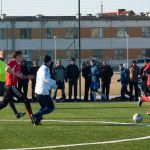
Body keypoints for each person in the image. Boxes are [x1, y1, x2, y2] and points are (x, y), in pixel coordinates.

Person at [0, 51, 35, 124]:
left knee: (4, 104)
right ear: (18, 56)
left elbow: (21, 76)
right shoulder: (12, 62)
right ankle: (32, 119)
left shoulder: (18, 65)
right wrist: (16, 74)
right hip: (11, 86)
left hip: (9, 86)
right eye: (21, 56)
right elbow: (7, 69)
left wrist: (28, 76)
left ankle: (32, 118)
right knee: (26, 99)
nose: (22, 58)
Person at [34, 55, 57, 125]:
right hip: (43, 92)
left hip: (39, 91)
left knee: (44, 107)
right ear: (48, 61)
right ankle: (36, 115)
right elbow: (45, 78)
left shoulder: (41, 68)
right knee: (51, 107)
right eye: (50, 61)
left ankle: (36, 120)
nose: (50, 63)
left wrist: (52, 85)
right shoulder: (45, 68)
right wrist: (54, 82)